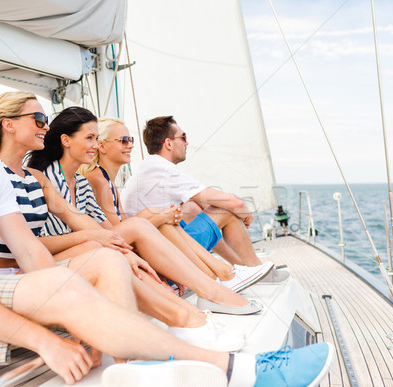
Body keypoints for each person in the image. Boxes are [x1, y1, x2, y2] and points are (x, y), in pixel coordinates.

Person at [0, 44, 333, 387]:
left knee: (106, 260)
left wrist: (74, 303)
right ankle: (236, 371)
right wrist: (47, 336)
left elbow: (31, 253)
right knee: (76, 276)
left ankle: (125, 371)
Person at [0, 91, 244, 352]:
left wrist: (116, 244)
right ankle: (186, 313)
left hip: (35, 264)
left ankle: (191, 311)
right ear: (8, 124)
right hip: (7, 274)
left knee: (116, 243)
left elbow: (76, 217)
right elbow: (24, 245)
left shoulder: (35, 177)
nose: (46, 127)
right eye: (39, 120)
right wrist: (98, 240)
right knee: (106, 246)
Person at [26, 107, 265, 315]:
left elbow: (111, 232)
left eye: (96, 138)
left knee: (157, 219)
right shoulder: (45, 179)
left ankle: (218, 278)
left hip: (92, 247)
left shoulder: (81, 184)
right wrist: (154, 221)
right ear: (66, 140)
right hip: (62, 258)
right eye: (90, 138)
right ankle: (218, 280)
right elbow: (41, 242)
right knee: (153, 219)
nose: (95, 145)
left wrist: (141, 254)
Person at [82, 117, 272, 292]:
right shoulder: (100, 180)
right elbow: (118, 234)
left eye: (131, 140)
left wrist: (161, 215)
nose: (130, 145)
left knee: (185, 210)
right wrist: (160, 216)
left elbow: (124, 225)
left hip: (151, 245)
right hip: (147, 251)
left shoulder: (110, 181)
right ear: (102, 146)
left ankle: (232, 271)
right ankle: (236, 272)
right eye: (124, 140)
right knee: (209, 213)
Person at [121, 116, 290, 283]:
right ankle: (258, 272)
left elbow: (202, 201)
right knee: (225, 210)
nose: (186, 143)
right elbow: (232, 203)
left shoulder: (148, 167)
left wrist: (236, 208)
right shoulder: (164, 170)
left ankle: (240, 269)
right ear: (169, 143)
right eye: (183, 137)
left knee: (193, 208)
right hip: (164, 259)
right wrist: (244, 213)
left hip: (153, 250)